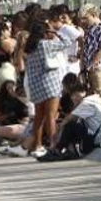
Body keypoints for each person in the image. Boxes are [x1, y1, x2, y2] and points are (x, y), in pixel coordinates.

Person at [21, 17, 67, 157]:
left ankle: (37, 145)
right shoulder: (45, 44)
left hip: (35, 85)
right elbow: (67, 42)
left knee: (39, 118)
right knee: (51, 116)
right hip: (50, 84)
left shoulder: (29, 47)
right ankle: (54, 145)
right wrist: (56, 32)